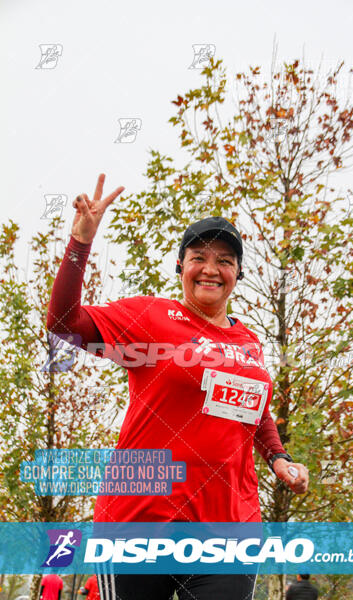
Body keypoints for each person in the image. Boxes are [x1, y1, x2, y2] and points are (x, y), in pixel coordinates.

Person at [46, 173, 309, 600]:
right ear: (180, 267)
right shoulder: (150, 318)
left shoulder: (250, 344)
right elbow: (64, 323)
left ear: (238, 273)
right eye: (198, 257)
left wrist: (279, 458)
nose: (211, 268)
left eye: (225, 259)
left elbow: (255, 413)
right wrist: (80, 244)